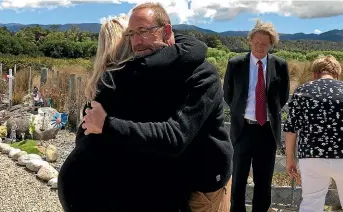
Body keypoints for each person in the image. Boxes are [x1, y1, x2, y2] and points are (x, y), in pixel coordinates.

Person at [59, 3, 233, 212]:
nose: (136, 42)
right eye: (131, 34)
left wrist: (107, 124)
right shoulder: (138, 74)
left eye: (143, 32)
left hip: (203, 184)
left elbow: (174, 137)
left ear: (167, 31)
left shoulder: (201, 75)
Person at [223, 20, 290, 212]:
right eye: (257, 42)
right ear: (250, 41)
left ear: (271, 44)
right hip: (243, 129)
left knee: (264, 180)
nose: (260, 47)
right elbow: (228, 95)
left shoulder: (280, 65)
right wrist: (242, 111)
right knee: (238, 179)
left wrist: (267, 113)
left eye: (265, 43)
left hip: (267, 131)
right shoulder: (235, 64)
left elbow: (283, 97)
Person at [283, 55, 343, 212]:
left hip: (312, 156)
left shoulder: (302, 91)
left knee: (311, 203)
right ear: (337, 73)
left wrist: (290, 159)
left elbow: (290, 129)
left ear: (314, 73)